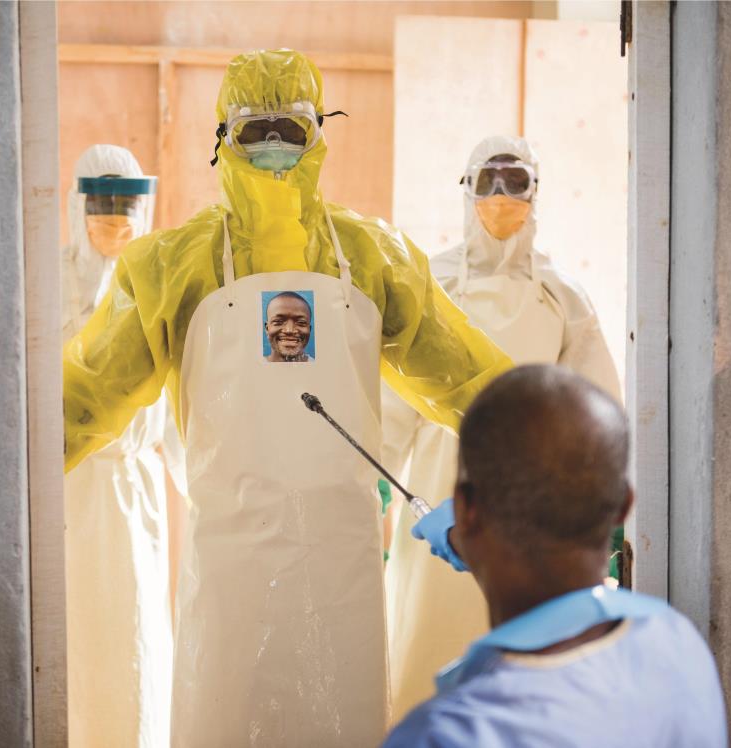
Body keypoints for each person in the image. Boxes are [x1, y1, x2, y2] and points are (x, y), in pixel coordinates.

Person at [62, 49, 512, 747]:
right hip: (227, 569)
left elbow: (472, 382)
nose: (273, 146)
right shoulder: (169, 268)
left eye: (291, 129)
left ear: (318, 134)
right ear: (223, 139)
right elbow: (80, 401)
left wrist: (555, 480)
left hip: (343, 565)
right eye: (254, 130)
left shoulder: (375, 259)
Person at [382, 134, 621, 720]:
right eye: (487, 181)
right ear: (466, 190)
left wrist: (605, 511)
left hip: (536, 489)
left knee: (526, 647)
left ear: (536, 192)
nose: (500, 196)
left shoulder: (561, 295)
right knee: (428, 637)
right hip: (441, 485)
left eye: (515, 182)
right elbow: (393, 401)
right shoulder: (430, 282)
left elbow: (595, 406)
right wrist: (377, 486)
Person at [384, 365, 727, 747]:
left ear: (465, 508)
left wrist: (471, 535)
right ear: (623, 506)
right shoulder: (678, 642)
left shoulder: (445, 734)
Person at [62, 145, 173, 748]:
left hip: (132, 488)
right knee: (69, 635)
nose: (114, 218)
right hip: (61, 491)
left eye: (126, 205)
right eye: (101, 205)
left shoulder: (157, 289)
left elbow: (180, 403)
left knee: (130, 633)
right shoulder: (46, 282)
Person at [264, 291, 313, 362]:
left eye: (301, 322)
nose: (289, 330)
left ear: (309, 329)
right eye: (278, 322)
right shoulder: (252, 369)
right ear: (267, 329)